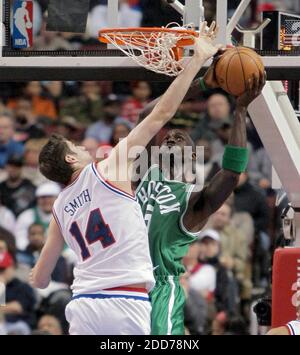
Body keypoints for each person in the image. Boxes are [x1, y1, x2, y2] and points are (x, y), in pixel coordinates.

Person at [29, 23, 221, 335]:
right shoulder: (108, 168)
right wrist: (197, 59)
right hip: (125, 299)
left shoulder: (59, 208)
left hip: (83, 304)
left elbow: (40, 280)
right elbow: (159, 114)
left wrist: (34, 274)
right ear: (68, 159)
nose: (82, 146)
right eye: (75, 147)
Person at [135, 49, 266, 334]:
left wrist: (240, 110)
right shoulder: (142, 174)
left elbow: (231, 174)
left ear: (192, 158)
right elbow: (149, 113)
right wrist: (203, 84)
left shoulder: (193, 201)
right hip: (124, 286)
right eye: (169, 136)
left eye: (180, 138)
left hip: (159, 290)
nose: (171, 136)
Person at [15, 182, 61, 250]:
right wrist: (30, 249)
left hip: (62, 255)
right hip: (31, 254)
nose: (47, 200)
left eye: (50, 197)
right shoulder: (26, 216)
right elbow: (20, 237)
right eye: (43, 197)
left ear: (58, 198)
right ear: (37, 199)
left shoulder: (65, 216)